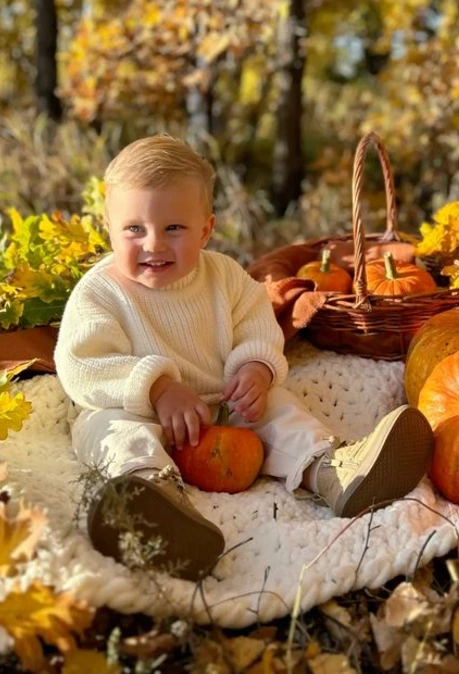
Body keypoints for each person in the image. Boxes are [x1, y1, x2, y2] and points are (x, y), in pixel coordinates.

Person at [54, 135, 434, 581]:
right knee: (112, 433)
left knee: (280, 409)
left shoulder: (226, 277)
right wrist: (156, 387)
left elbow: (258, 326)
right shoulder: (100, 292)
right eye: (134, 230)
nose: (154, 245)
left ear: (206, 229)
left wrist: (255, 367)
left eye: (174, 229)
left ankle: (331, 471)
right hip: (135, 407)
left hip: (222, 404)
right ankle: (148, 499)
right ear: (108, 228)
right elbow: (81, 364)